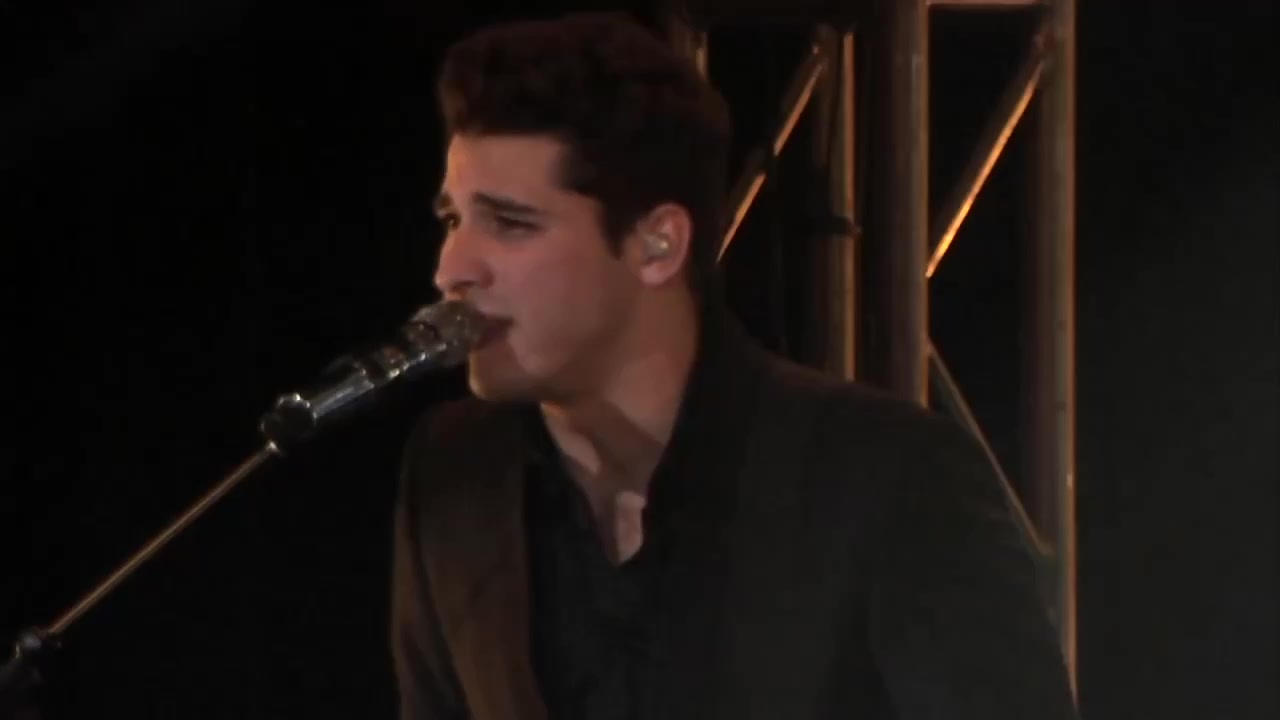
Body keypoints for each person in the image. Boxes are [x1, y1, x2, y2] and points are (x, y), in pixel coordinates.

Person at [389, 11, 1079, 720]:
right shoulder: (455, 473)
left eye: (510, 223)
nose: (452, 269)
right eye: (453, 220)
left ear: (658, 244)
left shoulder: (887, 477)